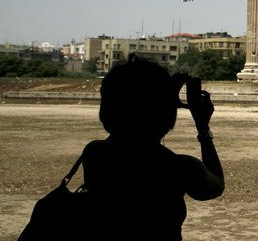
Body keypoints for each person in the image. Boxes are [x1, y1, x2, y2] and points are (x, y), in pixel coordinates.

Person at [81, 54, 224, 240]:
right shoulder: (178, 167)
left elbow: (123, 128)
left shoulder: (95, 153)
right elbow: (216, 186)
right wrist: (203, 128)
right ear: (166, 113)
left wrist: (162, 100)